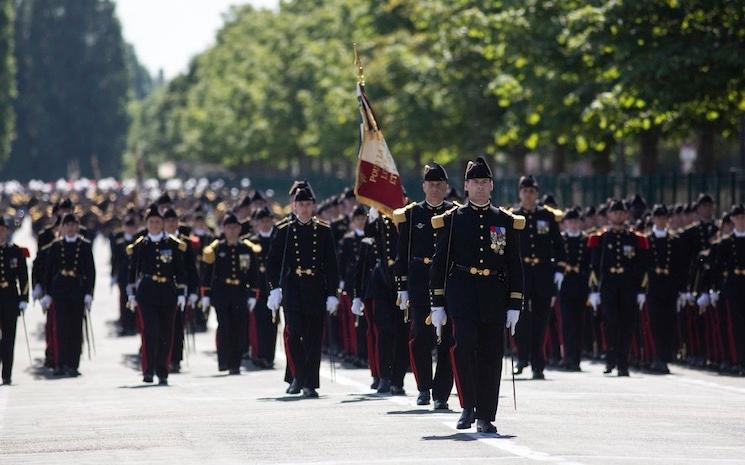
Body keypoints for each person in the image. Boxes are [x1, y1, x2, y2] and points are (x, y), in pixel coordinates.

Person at [429, 156, 524, 434]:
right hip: (462, 293)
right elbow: (439, 262)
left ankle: (485, 414)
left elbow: (513, 263)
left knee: (492, 355)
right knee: (464, 349)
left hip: (494, 294)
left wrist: (515, 302)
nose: (480, 187)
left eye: (484, 182)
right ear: (466, 186)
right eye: (475, 182)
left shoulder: (504, 220)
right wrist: (437, 302)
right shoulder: (453, 220)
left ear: (491, 185)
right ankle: (467, 405)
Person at [266, 186, 339, 398]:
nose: (305, 209)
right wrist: (275, 289)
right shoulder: (284, 230)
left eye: (308, 205)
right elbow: (272, 263)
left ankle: (309, 383)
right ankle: (299, 374)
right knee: (294, 333)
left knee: (314, 338)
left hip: (316, 287)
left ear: (313, 206)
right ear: (294, 206)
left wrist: (332, 293)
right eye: (301, 205)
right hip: (293, 287)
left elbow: (331, 265)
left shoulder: (324, 230)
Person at [393, 162, 454, 409]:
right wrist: (402, 285)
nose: (435, 189)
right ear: (423, 187)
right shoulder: (411, 214)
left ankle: (441, 393)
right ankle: (424, 387)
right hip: (420, 281)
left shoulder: (454, 213)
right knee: (420, 337)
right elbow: (402, 252)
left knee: (447, 340)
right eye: (431, 184)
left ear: (446, 187)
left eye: (440, 185)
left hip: (448, 284)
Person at [511, 175, 565, 379]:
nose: (528, 195)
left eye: (532, 191)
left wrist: (559, 269)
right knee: (521, 318)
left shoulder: (547, 216)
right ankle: (522, 356)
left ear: (537, 194)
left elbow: (558, 244)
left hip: (543, 272)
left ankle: (538, 364)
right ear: (520, 193)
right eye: (525, 191)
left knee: (541, 321)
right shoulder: (513, 216)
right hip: (522, 273)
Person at [127, 205, 187, 385]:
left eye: (157, 222)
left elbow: (180, 270)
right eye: (151, 222)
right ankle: (148, 370)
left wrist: (182, 292)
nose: (154, 225)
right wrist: (131, 293)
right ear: (146, 224)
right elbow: (133, 270)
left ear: (162, 224)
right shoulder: (141, 245)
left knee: (166, 333)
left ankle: (163, 370)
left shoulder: (172, 244)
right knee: (150, 331)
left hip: (168, 292)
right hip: (147, 293)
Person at [588, 200, 648, 376]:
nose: (618, 216)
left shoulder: (634, 239)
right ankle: (610, 359)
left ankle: (623, 363)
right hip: (608, 286)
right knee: (610, 324)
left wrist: (642, 290)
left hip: (628, 286)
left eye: (621, 213)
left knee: (627, 325)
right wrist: (593, 290)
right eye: (615, 213)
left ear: (626, 215)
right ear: (609, 215)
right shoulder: (602, 238)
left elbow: (641, 266)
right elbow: (594, 266)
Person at [200, 212, 261, 374]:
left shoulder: (247, 248)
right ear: (223, 229)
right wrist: (205, 294)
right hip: (221, 293)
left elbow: (253, 274)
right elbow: (207, 273)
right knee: (224, 326)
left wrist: (254, 294)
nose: (232, 231)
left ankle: (235, 363)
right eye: (229, 227)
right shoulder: (216, 248)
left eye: (235, 227)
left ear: (240, 228)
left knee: (239, 328)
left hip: (240, 292)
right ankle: (223, 360)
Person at [42, 213, 95, 377]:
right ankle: (60, 362)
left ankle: (73, 364)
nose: (71, 228)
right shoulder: (56, 246)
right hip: (60, 290)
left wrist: (89, 293)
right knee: (61, 328)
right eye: (68, 225)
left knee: (75, 329)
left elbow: (91, 271)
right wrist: (47, 293)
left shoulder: (84, 245)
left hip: (77, 289)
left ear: (78, 227)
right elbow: (48, 271)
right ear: (62, 228)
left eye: (74, 225)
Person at [558, 208, 590, 371]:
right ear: (565, 224)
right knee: (567, 323)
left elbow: (589, 264)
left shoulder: (585, 240)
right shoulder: (561, 240)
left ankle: (576, 358)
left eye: (576, 221)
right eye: (570, 221)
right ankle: (568, 357)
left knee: (579, 323)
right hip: (564, 285)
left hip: (580, 285)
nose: (573, 224)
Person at [0, 216, 30, 385]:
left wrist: (24, 298)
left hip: (10, 298)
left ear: (7, 232)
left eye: (2, 230)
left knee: (9, 338)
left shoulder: (15, 252)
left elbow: (23, 277)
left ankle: (6, 374)